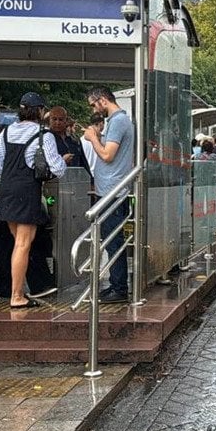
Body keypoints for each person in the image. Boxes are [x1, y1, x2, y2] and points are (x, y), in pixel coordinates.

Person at [0, 92, 65, 308]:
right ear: (41, 111)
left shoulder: (5, 133)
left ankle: (18, 291)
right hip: (27, 190)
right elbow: (57, 168)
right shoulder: (44, 135)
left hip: (6, 190)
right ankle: (17, 296)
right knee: (23, 245)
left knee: (20, 243)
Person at [83, 86, 134, 303]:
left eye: (94, 104)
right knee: (111, 239)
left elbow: (107, 155)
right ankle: (116, 283)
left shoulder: (119, 121)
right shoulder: (117, 121)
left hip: (113, 190)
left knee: (114, 240)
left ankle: (119, 287)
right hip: (110, 189)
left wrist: (93, 137)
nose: (94, 109)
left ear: (102, 100)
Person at [46, 106, 89, 174]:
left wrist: (91, 181)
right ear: (50, 120)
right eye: (54, 119)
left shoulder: (74, 140)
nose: (57, 123)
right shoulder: (46, 139)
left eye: (60, 119)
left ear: (65, 121)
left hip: (75, 179)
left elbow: (83, 162)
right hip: (54, 181)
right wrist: (62, 161)